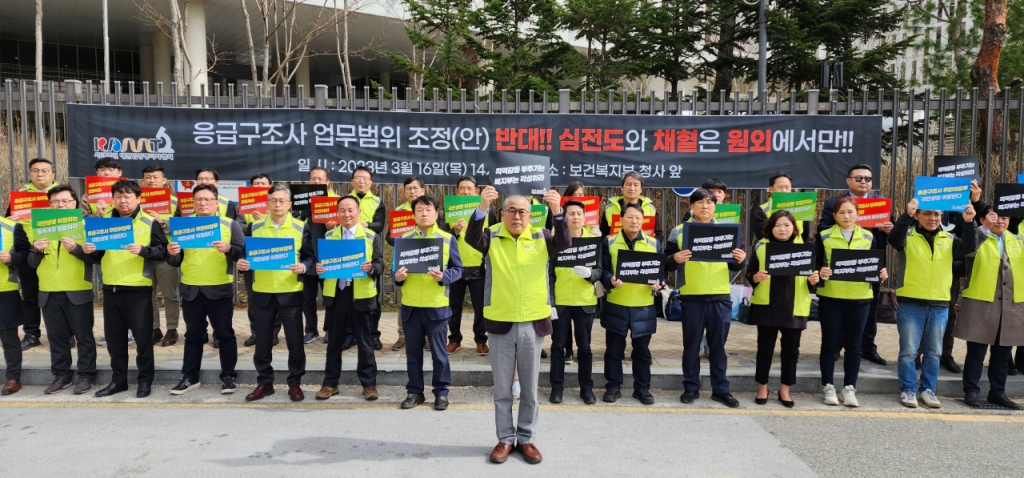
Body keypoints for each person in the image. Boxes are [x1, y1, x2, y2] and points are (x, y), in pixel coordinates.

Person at [464, 186, 569, 465]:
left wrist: (558, 212)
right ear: (503, 213)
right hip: (500, 321)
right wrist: (481, 207)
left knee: (530, 389)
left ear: (530, 214)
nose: (518, 216)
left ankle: (526, 438)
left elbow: (565, 242)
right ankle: (504, 439)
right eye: (512, 210)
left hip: (532, 322)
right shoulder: (492, 236)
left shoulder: (542, 235)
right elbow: (471, 237)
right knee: (502, 389)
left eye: (523, 211)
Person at [889, 198, 977, 408]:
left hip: (939, 304)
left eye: (936, 214)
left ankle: (928, 390)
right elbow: (893, 239)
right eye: (927, 214)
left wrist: (968, 222)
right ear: (918, 216)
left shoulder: (949, 238)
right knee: (909, 351)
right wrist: (906, 215)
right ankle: (908, 390)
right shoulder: (907, 237)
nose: (932, 218)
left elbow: (969, 248)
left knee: (934, 352)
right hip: (911, 303)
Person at [665, 188, 747, 408]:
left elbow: (735, 263)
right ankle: (691, 387)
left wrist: (740, 259)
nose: (705, 206)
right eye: (699, 202)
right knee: (691, 346)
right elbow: (666, 262)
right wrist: (675, 258)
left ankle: (720, 390)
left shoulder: (727, 231)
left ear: (715, 206)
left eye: (709, 202)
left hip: (720, 296)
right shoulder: (679, 232)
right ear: (691, 206)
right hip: (692, 296)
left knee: (718, 347)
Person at [15, 185, 98, 395]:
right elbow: (31, 263)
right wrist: (36, 250)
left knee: (84, 337)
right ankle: (61, 375)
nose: (60, 205)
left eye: (65, 201)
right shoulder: (41, 227)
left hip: (77, 289)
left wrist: (76, 249)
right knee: (56, 337)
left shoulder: (86, 225)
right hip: (49, 291)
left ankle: (86, 375)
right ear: (49, 204)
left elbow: (95, 259)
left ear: (75, 203)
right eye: (55, 202)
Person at [236, 183, 314, 402]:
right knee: (262, 342)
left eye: (282, 200)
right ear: (267, 203)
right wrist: (243, 262)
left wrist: (304, 267)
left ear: (289, 204)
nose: (277, 204)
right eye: (273, 200)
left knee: (295, 342)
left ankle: (295, 383)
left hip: (290, 292)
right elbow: (244, 253)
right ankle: (264, 383)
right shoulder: (254, 227)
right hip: (262, 293)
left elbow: (310, 257)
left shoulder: (301, 227)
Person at [165, 184, 245, 395]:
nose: (202, 203)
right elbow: (175, 260)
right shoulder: (183, 225)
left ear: (216, 203)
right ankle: (190, 376)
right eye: (198, 199)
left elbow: (242, 252)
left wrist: (229, 249)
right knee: (193, 335)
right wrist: (172, 252)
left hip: (219, 287)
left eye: (208, 199)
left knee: (225, 334)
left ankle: (228, 377)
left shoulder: (229, 224)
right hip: (191, 288)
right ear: (192, 203)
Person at [90, 180, 167, 398]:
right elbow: (97, 256)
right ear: (113, 198)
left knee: (143, 341)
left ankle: (145, 381)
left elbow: (162, 251)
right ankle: (118, 381)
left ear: (138, 199)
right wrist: (90, 249)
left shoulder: (149, 222)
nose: (123, 201)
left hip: (138, 289)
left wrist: (143, 251)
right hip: (112, 289)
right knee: (115, 342)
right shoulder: (103, 222)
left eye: (128, 196)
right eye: (118, 196)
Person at [817, 164, 894, 365]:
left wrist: (889, 229)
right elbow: (822, 228)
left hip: (870, 264)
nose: (863, 182)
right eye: (858, 178)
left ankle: (867, 348)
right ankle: (835, 348)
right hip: (841, 263)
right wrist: (848, 222)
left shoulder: (880, 203)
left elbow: (893, 235)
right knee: (840, 308)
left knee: (868, 308)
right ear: (848, 180)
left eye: (867, 179)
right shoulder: (834, 202)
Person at [815, 197, 888, 407]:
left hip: (860, 298)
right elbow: (816, 264)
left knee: (854, 346)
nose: (846, 216)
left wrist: (882, 273)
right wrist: (821, 271)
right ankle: (828, 386)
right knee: (829, 344)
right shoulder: (824, 236)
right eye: (841, 213)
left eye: (850, 212)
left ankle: (849, 388)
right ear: (834, 216)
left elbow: (876, 266)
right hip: (831, 297)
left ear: (858, 214)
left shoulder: (868, 236)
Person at [392, 195, 462, 410]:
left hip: (436, 306)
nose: (424, 213)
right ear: (413, 214)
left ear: (437, 213)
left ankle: (441, 393)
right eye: (419, 209)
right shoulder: (403, 240)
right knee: (413, 354)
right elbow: (394, 272)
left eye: (428, 209)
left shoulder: (447, 239)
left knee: (439, 354)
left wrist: (444, 277)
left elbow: (458, 269)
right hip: (411, 307)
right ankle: (414, 392)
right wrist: (397, 277)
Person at [314, 195, 384, 402]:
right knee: (334, 342)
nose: (347, 214)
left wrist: (371, 267)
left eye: (350, 210)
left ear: (359, 212)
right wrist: (320, 268)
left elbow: (380, 266)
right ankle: (330, 383)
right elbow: (322, 265)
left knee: (364, 342)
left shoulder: (371, 236)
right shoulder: (328, 237)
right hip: (336, 295)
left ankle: (369, 384)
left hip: (361, 294)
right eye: (342, 210)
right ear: (337, 213)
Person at [747, 210, 819, 408]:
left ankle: (785, 389)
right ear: (771, 227)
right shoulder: (762, 246)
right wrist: (756, 277)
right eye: (778, 225)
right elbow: (750, 273)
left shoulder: (805, 249)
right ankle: (762, 387)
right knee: (764, 350)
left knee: (791, 352)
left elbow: (811, 278)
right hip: (767, 306)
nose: (782, 229)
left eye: (787, 225)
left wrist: (814, 280)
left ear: (794, 229)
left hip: (794, 307)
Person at [955, 208, 1024, 409]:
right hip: (981, 301)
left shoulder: (1018, 240)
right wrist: (981, 228)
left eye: (1004, 217)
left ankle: (998, 393)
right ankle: (971, 391)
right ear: (984, 219)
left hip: (1011, 304)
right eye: (995, 217)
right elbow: (968, 250)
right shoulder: (978, 237)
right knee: (976, 351)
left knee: (1003, 354)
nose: (1000, 221)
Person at [601, 203, 662, 405]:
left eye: (637, 217)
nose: (634, 221)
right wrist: (610, 279)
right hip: (616, 303)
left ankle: (642, 389)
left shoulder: (654, 244)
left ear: (643, 220)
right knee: (613, 351)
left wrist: (658, 284)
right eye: (629, 217)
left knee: (642, 352)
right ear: (620, 220)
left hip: (643, 306)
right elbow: (604, 270)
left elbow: (660, 274)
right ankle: (613, 387)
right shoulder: (609, 242)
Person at [387, 176, 449, 352]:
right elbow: (389, 238)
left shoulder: (432, 210)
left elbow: (442, 232)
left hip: (430, 260)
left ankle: (430, 336)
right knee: (404, 300)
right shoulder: (399, 211)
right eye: (408, 189)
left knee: (430, 298)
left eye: (415, 188)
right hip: (406, 261)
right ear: (404, 192)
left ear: (423, 190)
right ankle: (402, 335)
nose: (412, 191)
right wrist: (403, 236)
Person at [549, 199, 601, 405]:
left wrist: (590, 274)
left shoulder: (593, 241)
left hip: (584, 302)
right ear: (565, 216)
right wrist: (550, 302)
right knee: (557, 347)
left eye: (579, 213)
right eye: (571, 214)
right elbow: (549, 274)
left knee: (585, 348)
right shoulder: (555, 241)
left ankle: (586, 388)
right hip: (560, 302)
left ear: (584, 217)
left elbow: (600, 271)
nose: (576, 217)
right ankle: (557, 387)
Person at [9, 158, 59, 351]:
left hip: (56, 253)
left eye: (45, 171)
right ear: (30, 173)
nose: (40, 174)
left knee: (59, 295)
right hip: (27, 250)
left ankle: (67, 333)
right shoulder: (20, 195)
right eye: (36, 171)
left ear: (52, 174)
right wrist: (9, 219)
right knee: (30, 294)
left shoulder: (62, 193)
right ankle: (31, 334)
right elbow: (7, 223)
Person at [935, 181, 984, 373]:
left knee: (948, 313)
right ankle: (920, 354)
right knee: (923, 313)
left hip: (951, 271)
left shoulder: (963, 207)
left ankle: (946, 355)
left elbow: (982, 222)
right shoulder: (927, 208)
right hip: (925, 270)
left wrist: (976, 201)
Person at [338, 167, 385, 352]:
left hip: (368, 254)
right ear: (352, 181)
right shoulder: (343, 201)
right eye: (358, 178)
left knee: (371, 300)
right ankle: (349, 335)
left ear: (371, 182)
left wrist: (362, 225)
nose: (361, 181)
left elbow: (379, 226)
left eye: (365, 178)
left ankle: (373, 335)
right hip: (344, 254)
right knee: (347, 301)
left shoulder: (377, 201)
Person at [447, 175, 494, 356]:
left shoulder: (487, 211)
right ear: (456, 191)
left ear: (476, 192)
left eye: (469, 188)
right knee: (454, 306)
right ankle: (455, 339)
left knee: (480, 307)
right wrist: (454, 231)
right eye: (462, 188)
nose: (465, 191)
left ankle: (481, 340)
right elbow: (442, 235)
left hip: (479, 266)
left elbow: (493, 235)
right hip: (456, 266)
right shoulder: (450, 210)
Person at [142, 165, 182, 347]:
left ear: (164, 180)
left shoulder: (174, 203)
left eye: (155, 177)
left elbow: (182, 230)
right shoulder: (137, 201)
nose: (151, 180)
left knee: (170, 294)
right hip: (143, 254)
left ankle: (172, 328)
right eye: (148, 177)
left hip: (167, 254)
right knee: (147, 295)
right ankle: (154, 328)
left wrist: (162, 222)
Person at [240, 172, 281, 348]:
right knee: (254, 299)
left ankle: (273, 334)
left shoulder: (278, 203)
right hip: (254, 258)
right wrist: (254, 224)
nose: (258, 186)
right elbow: (238, 226)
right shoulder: (244, 204)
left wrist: (265, 218)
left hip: (276, 257)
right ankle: (256, 333)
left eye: (262, 183)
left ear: (270, 185)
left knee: (277, 298)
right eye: (255, 183)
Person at [301, 166, 338, 344]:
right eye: (313, 179)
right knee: (307, 297)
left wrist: (334, 225)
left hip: (329, 255)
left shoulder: (337, 201)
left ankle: (330, 329)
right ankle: (310, 330)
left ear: (327, 181)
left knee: (330, 296)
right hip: (307, 253)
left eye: (320, 179)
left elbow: (347, 227)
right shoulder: (300, 199)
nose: (316, 182)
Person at [0, 215, 27, 395]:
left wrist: (11, 257)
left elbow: (26, 254)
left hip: (4, 289)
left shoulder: (11, 227)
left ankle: (13, 377)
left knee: (8, 337)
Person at [600, 171, 663, 245]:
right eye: (628, 184)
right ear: (622, 188)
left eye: (636, 185)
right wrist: (605, 238)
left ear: (641, 189)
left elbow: (659, 234)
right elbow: (602, 233)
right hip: (616, 251)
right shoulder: (610, 209)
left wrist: (654, 242)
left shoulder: (650, 209)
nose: (632, 188)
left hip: (644, 251)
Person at [750, 173, 813, 243]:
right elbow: (761, 235)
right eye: (780, 187)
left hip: (797, 251)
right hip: (772, 251)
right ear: (771, 189)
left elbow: (805, 233)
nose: (784, 190)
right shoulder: (762, 210)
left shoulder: (800, 207)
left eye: (787, 187)